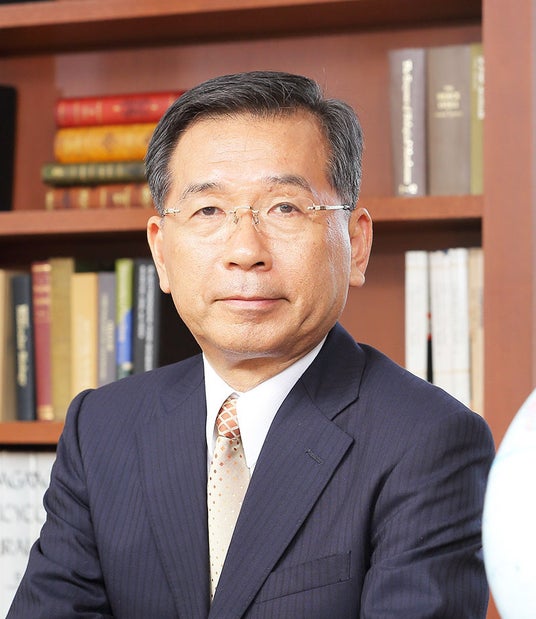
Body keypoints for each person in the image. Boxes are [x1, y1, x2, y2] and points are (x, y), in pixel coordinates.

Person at [8, 70, 495, 618]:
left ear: (356, 244)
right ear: (161, 252)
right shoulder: (101, 429)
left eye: (285, 207)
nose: (245, 251)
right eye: (208, 211)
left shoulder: (429, 441)